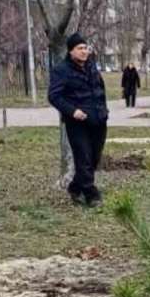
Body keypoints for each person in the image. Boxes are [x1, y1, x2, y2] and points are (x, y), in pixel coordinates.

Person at [48, 32, 109, 208]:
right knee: (83, 158)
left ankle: (75, 187)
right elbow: (54, 96)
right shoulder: (61, 70)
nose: (84, 51)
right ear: (71, 51)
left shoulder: (91, 67)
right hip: (77, 123)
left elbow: (100, 89)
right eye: (79, 48)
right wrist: (72, 111)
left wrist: (104, 110)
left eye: (85, 48)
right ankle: (91, 195)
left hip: (98, 120)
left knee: (94, 159)